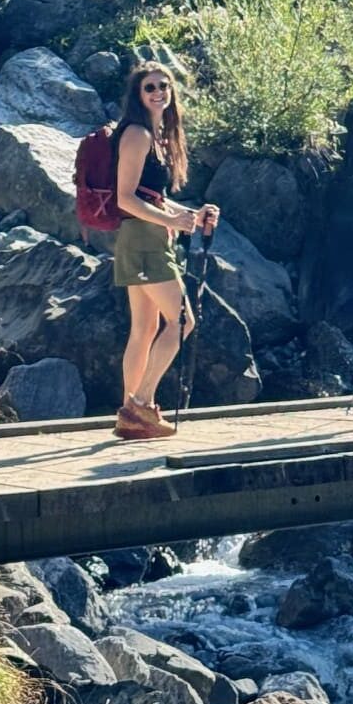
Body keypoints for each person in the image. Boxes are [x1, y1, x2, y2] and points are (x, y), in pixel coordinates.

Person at [112, 60, 218, 441]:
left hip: (146, 239)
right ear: (138, 95)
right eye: (150, 87)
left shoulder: (156, 137)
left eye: (164, 86)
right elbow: (125, 199)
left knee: (145, 329)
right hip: (142, 241)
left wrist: (191, 215)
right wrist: (172, 221)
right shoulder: (137, 135)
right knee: (183, 321)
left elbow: (151, 197)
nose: (158, 92)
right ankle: (140, 403)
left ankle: (131, 415)